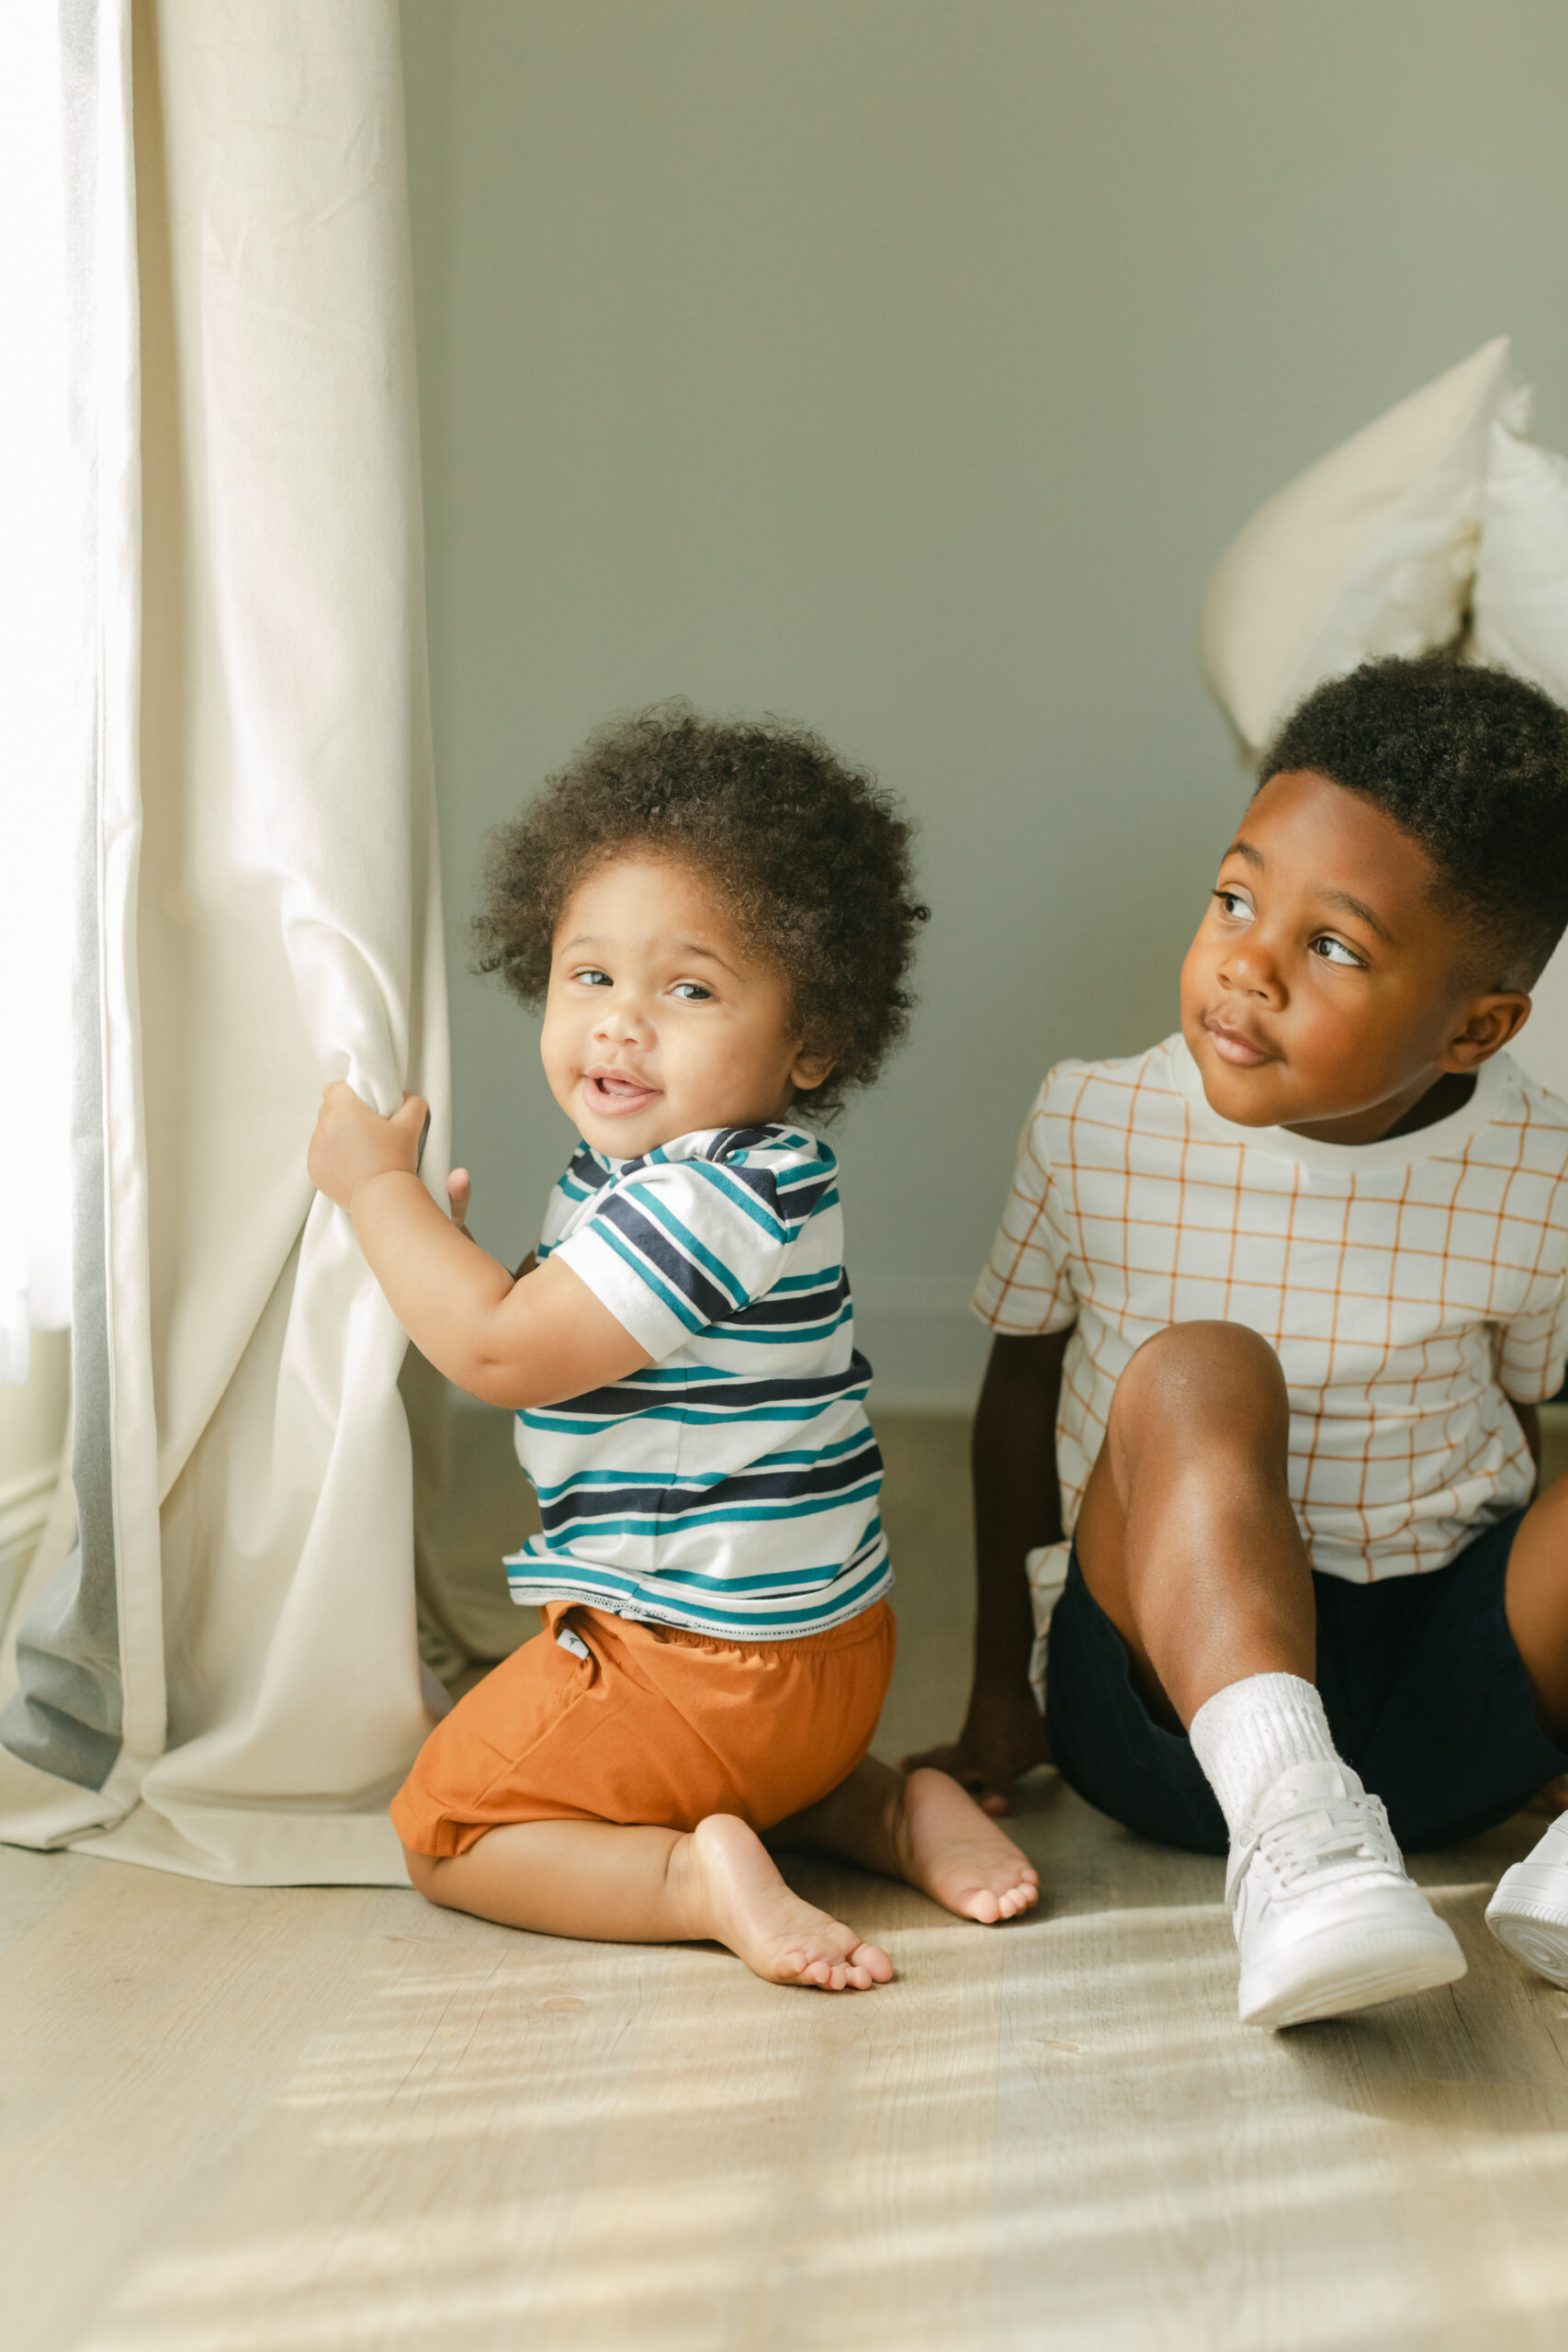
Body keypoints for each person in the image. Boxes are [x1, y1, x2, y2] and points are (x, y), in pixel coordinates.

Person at [308, 706, 1037, 1991]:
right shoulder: (735, 1181)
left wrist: (379, 1196)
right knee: (747, 1771)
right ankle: (878, 1810)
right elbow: (555, 1331)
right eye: (589, 975)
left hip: (706, 1674)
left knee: (448, 1823)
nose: (621, 1023)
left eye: (687, 989)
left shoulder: (705, 1197)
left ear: (813, 1041)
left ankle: (687, 1881)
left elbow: (496, 1352)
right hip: (829, 1671)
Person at [908, 656, 1568, 2028]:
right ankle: (1301, 1842)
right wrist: (998, 1689)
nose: (1244, 966)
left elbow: (1530, 1422)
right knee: (1200, 1366)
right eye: (1235, 897)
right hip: (1166, 1712)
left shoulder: (1544, 1168)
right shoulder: (1098, 1120)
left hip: (1443, 1701)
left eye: (1331, 946)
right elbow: (1020, 1395)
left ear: (1478, 1027)